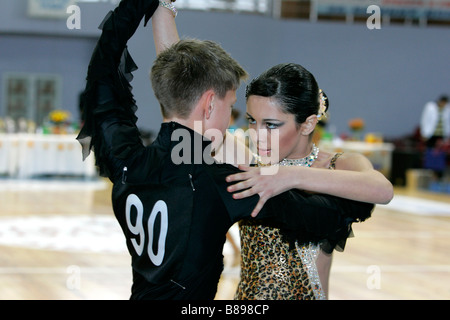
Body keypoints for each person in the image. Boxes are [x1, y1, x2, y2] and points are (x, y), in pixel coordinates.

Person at [77, 0, 374, 300]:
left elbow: (103, 73)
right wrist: (295, 179)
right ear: (209, 105)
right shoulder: (225, 182)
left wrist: (147, 4)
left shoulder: (126, 160)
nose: (233, 120)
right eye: (231, 107)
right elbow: (332, 216)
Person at [225, 64, 394, 299]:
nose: (257, 134)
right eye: (252, 121)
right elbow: (182, 96)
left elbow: (383, 190)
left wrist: (290, 176)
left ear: (308, 124)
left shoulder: (336, 165)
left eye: (271, 125)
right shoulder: (249, 162)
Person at [420, 95, 450, 179]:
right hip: (431, 134)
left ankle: (439, 175)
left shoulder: (447, 109)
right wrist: (424, 133)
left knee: (440, 155)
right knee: (430, 154)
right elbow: (425, 119)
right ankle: (429, 173)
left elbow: (447, 122)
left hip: (441, 135)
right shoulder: (430, 107)